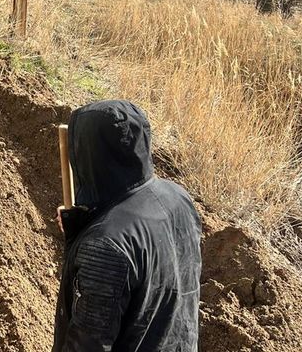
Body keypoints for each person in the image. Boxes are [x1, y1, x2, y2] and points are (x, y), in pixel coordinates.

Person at [53, 100, 201, 352]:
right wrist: (82, 228)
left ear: (88, 154)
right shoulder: (178, 198)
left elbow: (88, 344)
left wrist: (92, 240)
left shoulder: (105, 246)